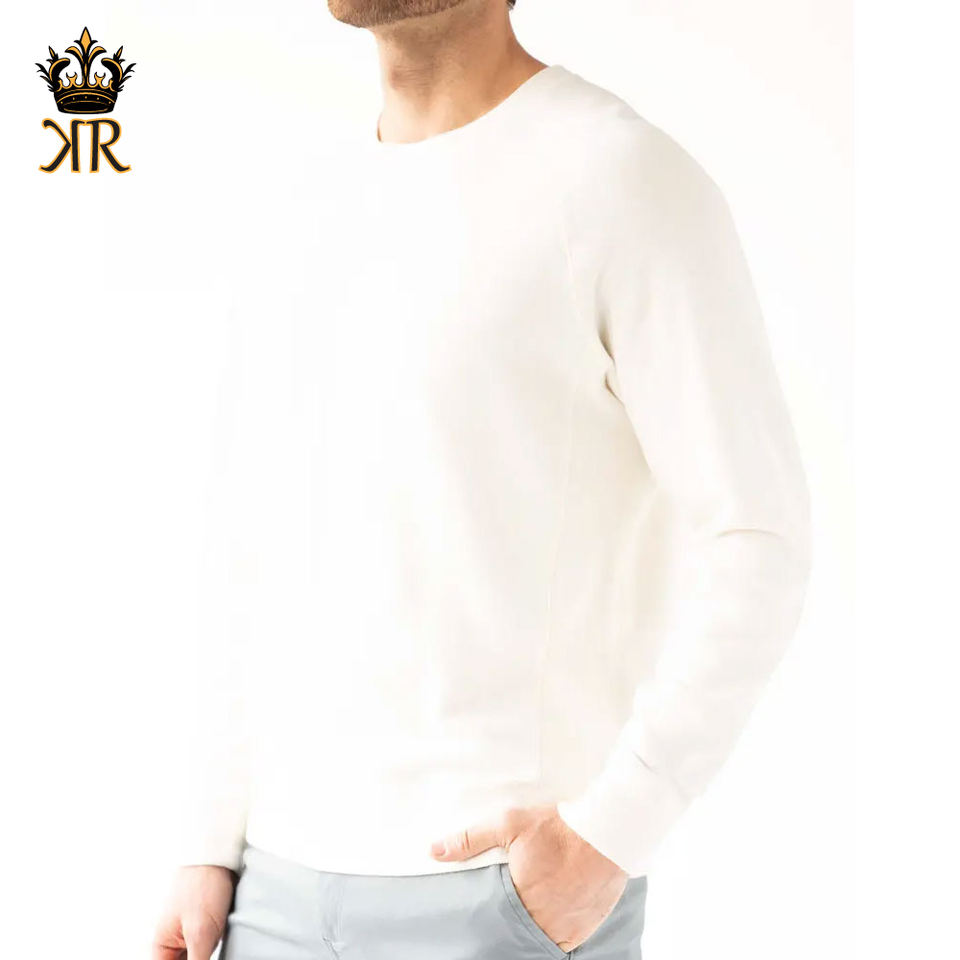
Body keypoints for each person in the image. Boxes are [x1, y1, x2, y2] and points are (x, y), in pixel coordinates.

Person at [152, 1, 812, 957]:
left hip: (496, 897)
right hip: (272, 891)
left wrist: (611, 833)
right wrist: (205, 842)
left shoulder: (618, 178)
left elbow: (757, 536)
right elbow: (246, 546)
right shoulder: (303, 205)